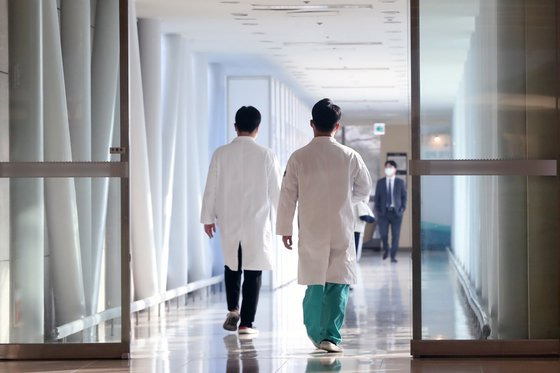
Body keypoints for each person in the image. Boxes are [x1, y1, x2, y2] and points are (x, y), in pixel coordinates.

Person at [276, 98, 372, 353]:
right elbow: (364, 187)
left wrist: (285, 228)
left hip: (311, 226)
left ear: (311, 124)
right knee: (338, 280)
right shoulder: (350, 155)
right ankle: (331, 336)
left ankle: (315, 331)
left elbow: (287, 194)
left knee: (314, 281)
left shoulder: (298, 157)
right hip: (341, 225)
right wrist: (346, 202)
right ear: (337, 126)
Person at [201, 106, 281, 335]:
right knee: (254, 269)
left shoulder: (221, 153)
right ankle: (247, 323)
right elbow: (277, 191)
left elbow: (211, 188)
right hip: (257, 223)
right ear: (258, 128)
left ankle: (233, 309)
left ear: (235, 127)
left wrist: (208, 217)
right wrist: (285, 224)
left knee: (232, 264)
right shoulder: (267, 154)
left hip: (229, 219)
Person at [373, 160, 407, 263]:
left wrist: (402, 208)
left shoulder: (400, 182)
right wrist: (378, 210)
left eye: (390, 167)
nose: (388, 169)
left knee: (395, 235)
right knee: (383, 234)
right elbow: (377, 198)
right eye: (386, 167)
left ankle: (393, 256)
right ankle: (386, 249)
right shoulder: (380, 182)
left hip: (396, 213)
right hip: (383, 213)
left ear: (395, 169)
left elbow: (404, 197)